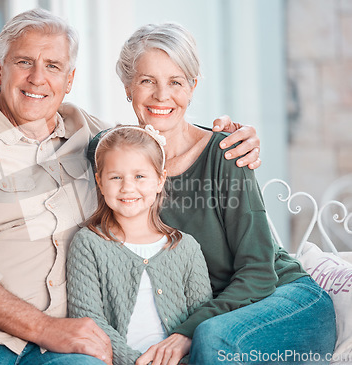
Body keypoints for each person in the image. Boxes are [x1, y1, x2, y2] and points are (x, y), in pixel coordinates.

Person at [0, 8, 261, 365]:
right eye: (23, 62)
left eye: (53, 66)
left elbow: (152, 142)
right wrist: (44, 327)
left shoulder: (93, 137)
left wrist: (226, 138)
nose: (38, 78)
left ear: (69, 80)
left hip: (59, 346)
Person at [102, 22, 336, 364]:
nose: (161, 96)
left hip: (284, 302)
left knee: (212, 338)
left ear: (193, 87)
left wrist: (186, 331)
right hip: (221, 317)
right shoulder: (113, 160)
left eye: (176, 82)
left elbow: (259, 272)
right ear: (128, 87)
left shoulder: (227, 152)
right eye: (147, 81)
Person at [67, 125, 213, 365]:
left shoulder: (186, 248)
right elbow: (89, 317)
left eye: (139, 176)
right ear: (100, 182)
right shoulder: (89, 243)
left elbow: (201, 319)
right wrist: (136, 362)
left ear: (159, 180)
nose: (127, 187)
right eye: (115, 177)